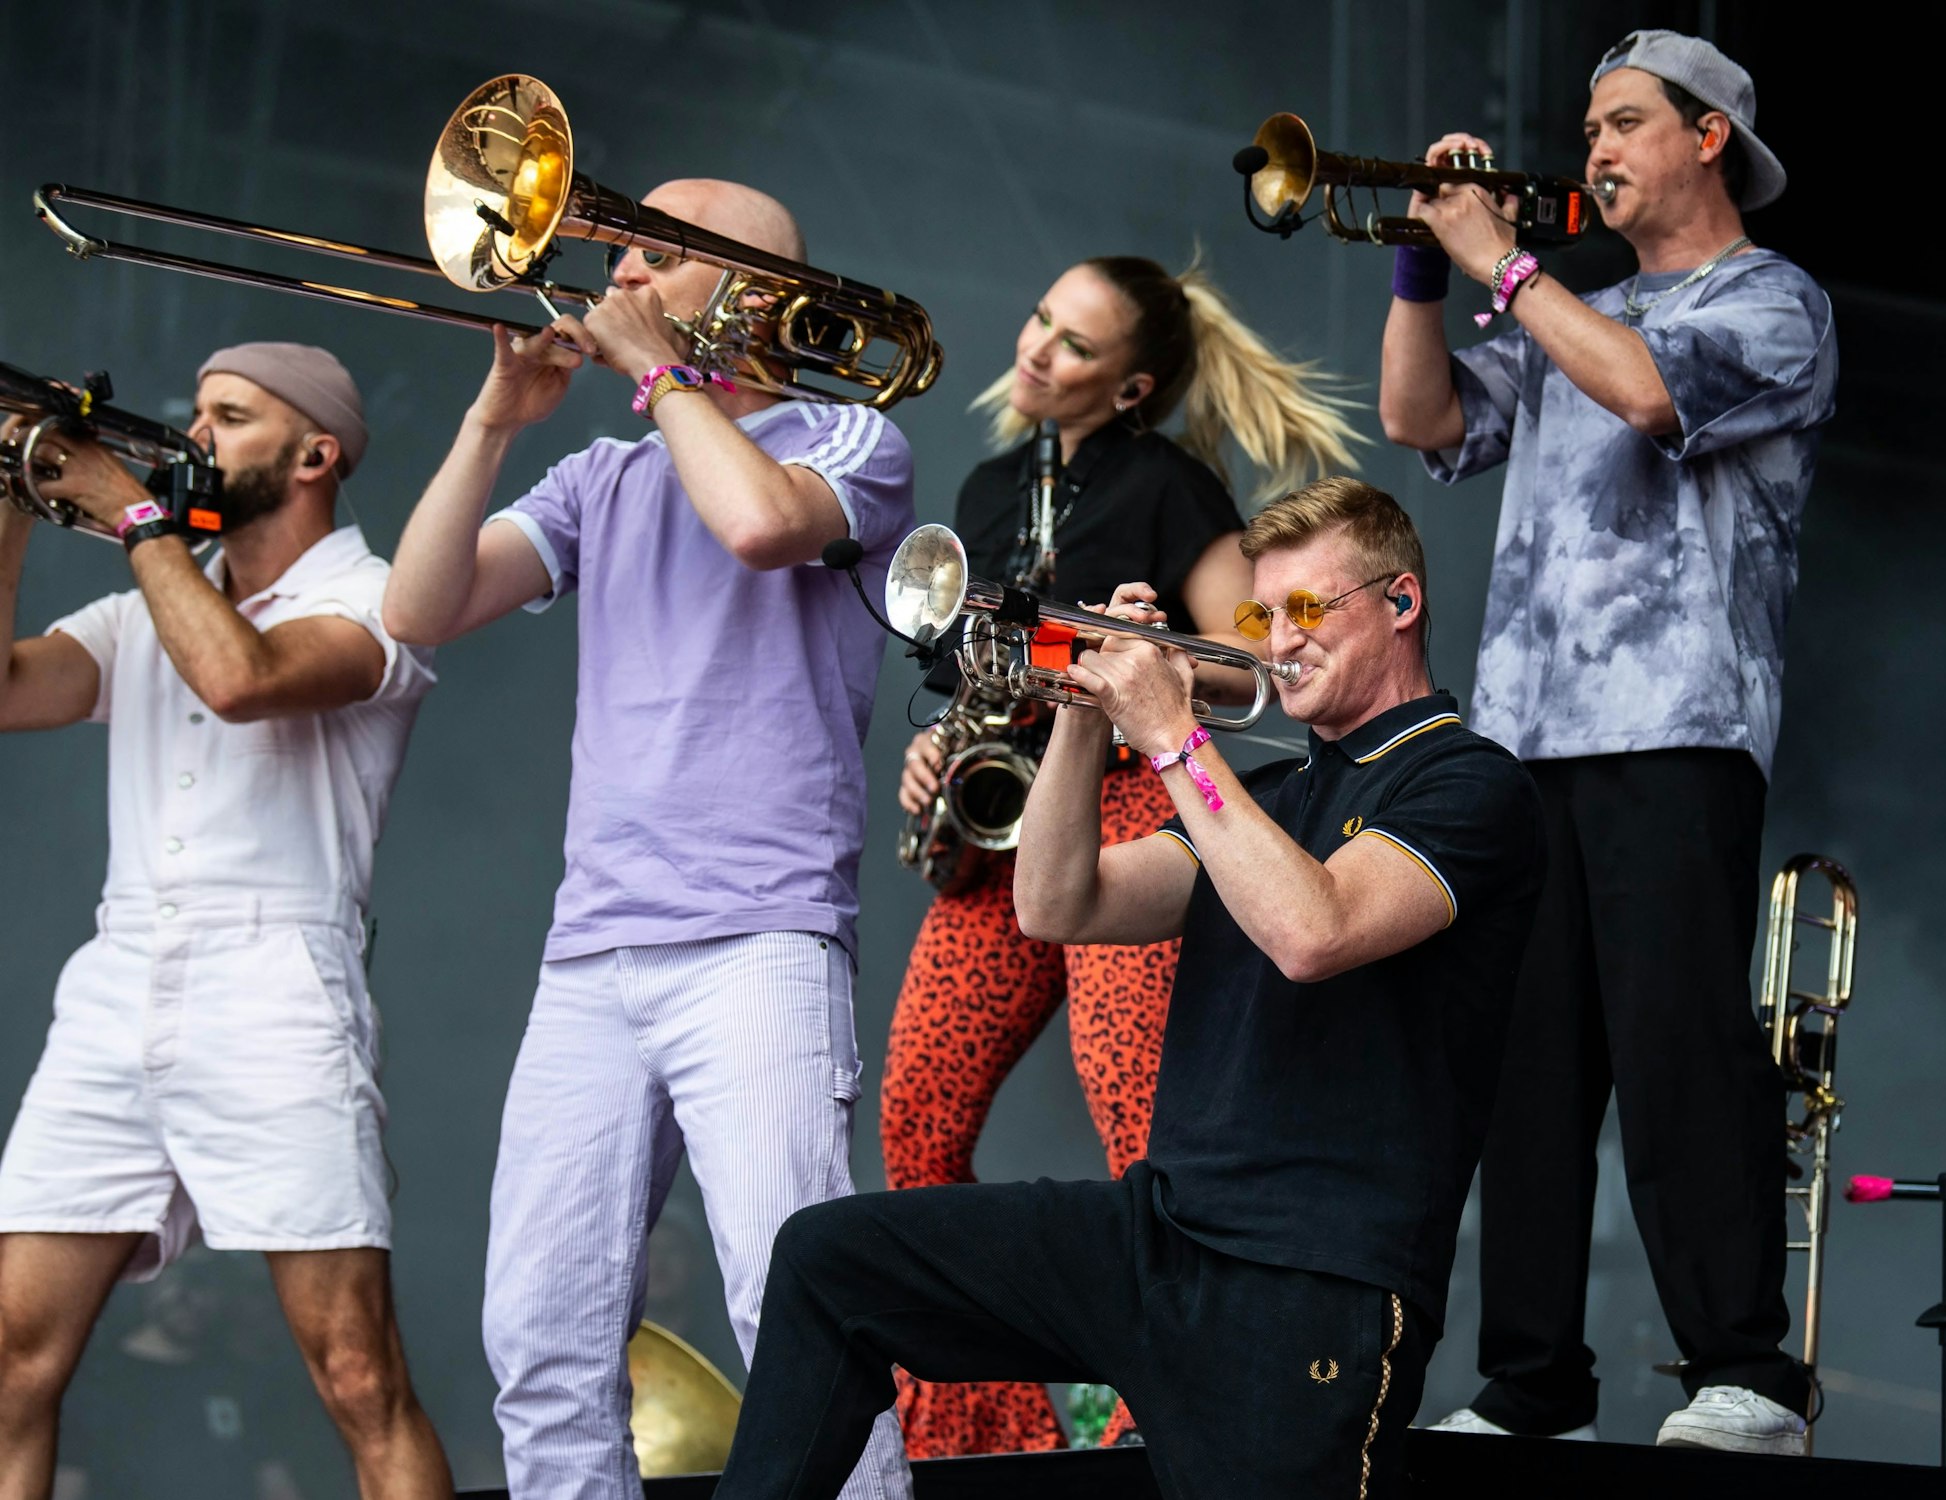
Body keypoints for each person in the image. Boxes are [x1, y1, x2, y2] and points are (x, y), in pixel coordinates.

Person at [708, 478, 1546, 1500]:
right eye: (1261, 616)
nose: (1281, 639)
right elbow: (1057, 903)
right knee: (827, 1259)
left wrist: (1172, 738)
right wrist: (1083, 711)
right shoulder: (1267, 795)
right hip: (1160, 1234)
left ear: (1401, 601)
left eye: (1307, 608)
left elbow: (1312, 931)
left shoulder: (1468, 782)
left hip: (1309, 1282)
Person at [381, 179, 915, 1500]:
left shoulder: (852, 438)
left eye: (654, 254)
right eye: (620, 249)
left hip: (760, 941)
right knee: (540, 1339)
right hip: (593, 953)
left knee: (797, 1321)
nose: (615, 272)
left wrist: (664, 374)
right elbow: (417, 608)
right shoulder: (601, 475)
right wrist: (492, 421)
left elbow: (759, 526)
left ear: (758, 293)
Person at [1376, 29, 1837, 1453]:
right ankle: (1532, 1385)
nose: (1593, 149)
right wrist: (1421, 267)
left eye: (1624, 121)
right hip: (1525, 734)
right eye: (1587, 128)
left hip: (1676, 725)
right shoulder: (1572, 309)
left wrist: (1506, 267)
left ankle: (1747, 1373)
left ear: (1708, 137)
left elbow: (1648, 392)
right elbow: (1419, 418)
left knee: (1676, 1046)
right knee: (1526, 1070)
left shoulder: (1774, 301)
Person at [883, 255, 1364, 1456]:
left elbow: (1254, 666)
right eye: (1040, 318)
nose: (1035, 346)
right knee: (915, 1118)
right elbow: (966, 675)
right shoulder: (990, 486)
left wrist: (1115, 654)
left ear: (1133, 386)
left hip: (1127, 815)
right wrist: (935, 749)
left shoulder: (1167, 485)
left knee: (1141, 1130)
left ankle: (1162, 1423)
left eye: (1075, 343)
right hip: (1003, 828)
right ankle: (986, 1441)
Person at [0, 343, 448, 1499]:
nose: (196, 433)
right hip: (117, 981)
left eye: (232, 415)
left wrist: (130, 508)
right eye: (197, 411)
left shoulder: (376, 599)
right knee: (10, 1363)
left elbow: (241, 678)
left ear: (315, 455)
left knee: (357, 1375)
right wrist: (12, 499)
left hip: (275, 986)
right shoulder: (143, 604)